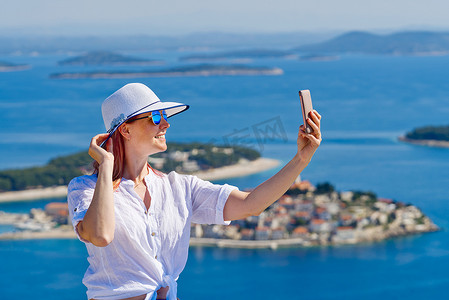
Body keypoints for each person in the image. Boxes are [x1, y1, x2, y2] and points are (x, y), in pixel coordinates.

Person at [67, 82, 322, 300]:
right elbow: (100, 235)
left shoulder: (179, 187)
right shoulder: (85, 189)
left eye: (165, 116)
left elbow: (251, 204)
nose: (166, 124)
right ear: (126, 129)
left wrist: (301, 159)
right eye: (156, 117)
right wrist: (107, 164)